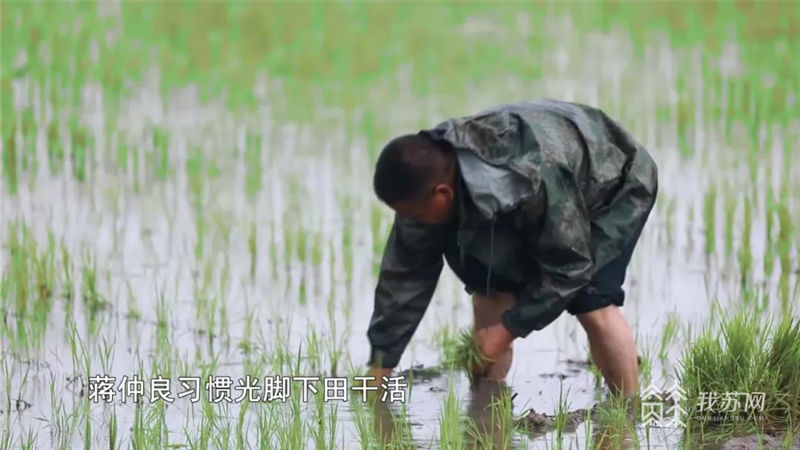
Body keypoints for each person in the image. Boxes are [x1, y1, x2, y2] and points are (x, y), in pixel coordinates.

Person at [365, 99, 658, 398]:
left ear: (443, 193)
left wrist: (508, 330)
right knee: (489, 290)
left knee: (591, 300)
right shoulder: (425, 183)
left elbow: (570, 269)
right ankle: (487, 416)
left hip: (609, 186)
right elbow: (406, 274)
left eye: (413, 214)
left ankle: (628, 412)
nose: (411, 221)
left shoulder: (531, 175)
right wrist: (382, 363)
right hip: (526, 194)